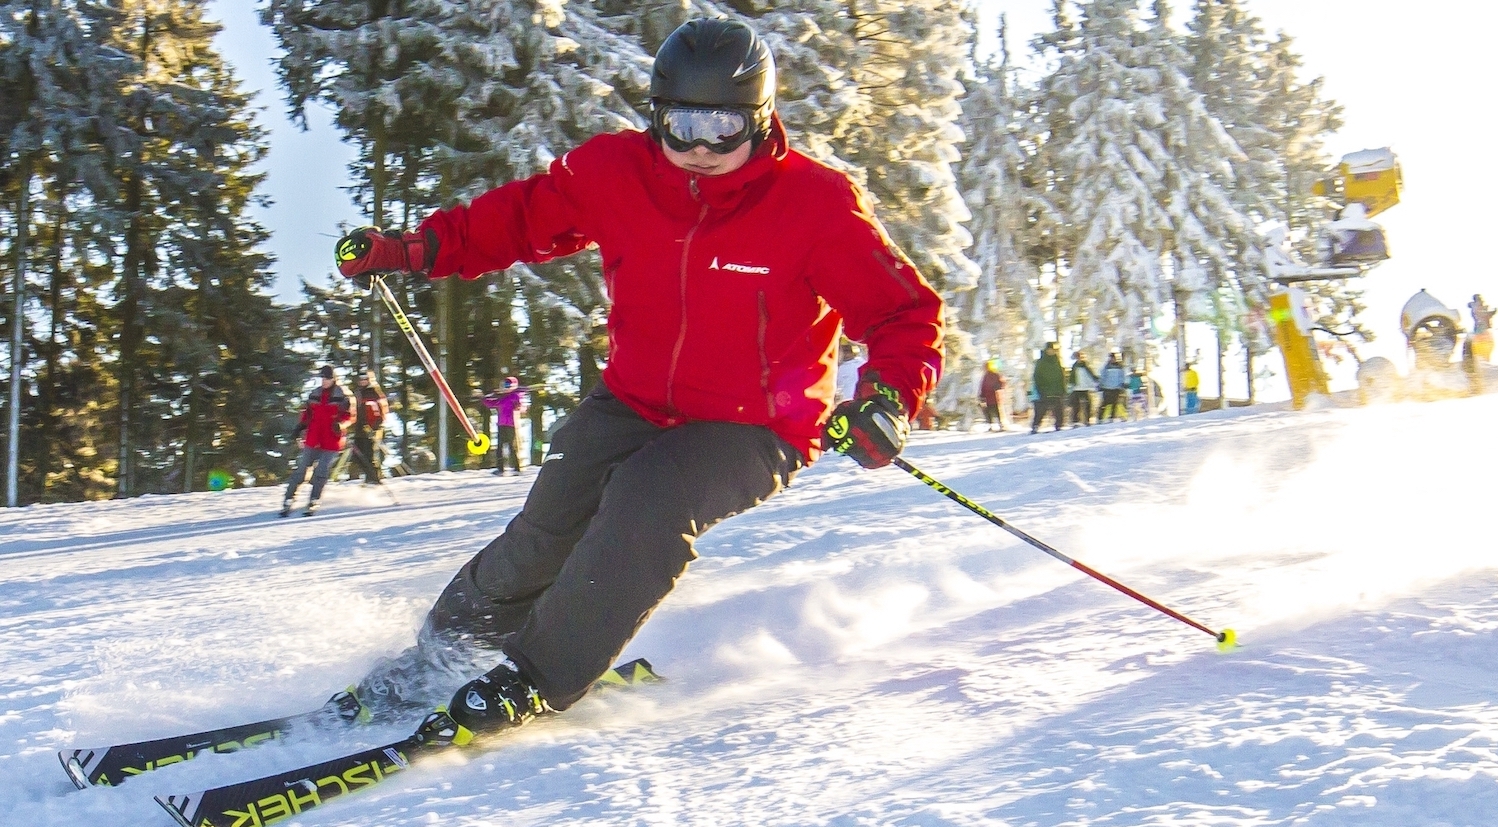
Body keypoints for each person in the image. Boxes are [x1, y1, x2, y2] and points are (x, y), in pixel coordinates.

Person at [332, 19, 943, 739]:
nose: (700, 148)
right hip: (631, 398)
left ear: (761, 117)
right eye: (681, 124)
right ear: (657, 116)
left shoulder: (815, 205)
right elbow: (516, 219)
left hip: (755, 426)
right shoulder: (616, 172)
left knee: (646, 501)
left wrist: (888, 398)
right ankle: (439, 654)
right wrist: (413, 249)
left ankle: (536, 673)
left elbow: (904, 311)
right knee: (543, 532)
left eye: (722, 126)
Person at [282, 365, 354, 517]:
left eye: (327, 378)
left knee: (321, 471)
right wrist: (300, 427)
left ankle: (314, 500)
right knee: (301, 469)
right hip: (313, 437)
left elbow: (350, 416)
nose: (324, 381)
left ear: (334, 379)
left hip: (332, 439)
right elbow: (307, 414)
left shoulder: (343, 395)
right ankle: (288, 500)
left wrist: (341, 425)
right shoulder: (315, 394)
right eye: (322, 378)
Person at [351, 369, 390, 484]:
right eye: (361, 379)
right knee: (357, 455)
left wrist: (375, 427)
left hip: (371, 429)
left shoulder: (374, 393)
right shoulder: (357, 393)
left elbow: (381, 412)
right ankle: (370, 476)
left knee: (369, 455)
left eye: (365, 379)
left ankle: (374, 478)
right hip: (359, 429)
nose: (362, 382)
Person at [482, 377, 528, 475]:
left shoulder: (514, 396)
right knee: (500, 447)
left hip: (512, 425)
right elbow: (491, 403)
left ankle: (517, 468)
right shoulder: (503, 397)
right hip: (501, 424)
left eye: (507, 385)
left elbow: (520, 405)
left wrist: (501, 396)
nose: (505, 387)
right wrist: (485, 398)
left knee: (512, 447)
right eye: (504, 385)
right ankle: (500, 468)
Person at [1031, 343, 1066, 433]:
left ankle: (1059, 425)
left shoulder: (1057, 361)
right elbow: (1037, 376)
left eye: (1052, 350)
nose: (1050, 351)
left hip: (1056, 390)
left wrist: (1062, 389)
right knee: (1041, 410)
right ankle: (1035, 426)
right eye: (1049, 349)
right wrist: (1041, 389)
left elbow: (1061, 375)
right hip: (1044, 390)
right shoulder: (1041, 362)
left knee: (1058, 410)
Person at [1068, 351, 1098, 427]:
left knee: (1088, 405)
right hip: (1076, 388)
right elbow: (1071, 379)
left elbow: (1092, 376)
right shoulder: (1074, 367)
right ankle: (1075, 421)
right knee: (1076, 405)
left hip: (1085, 388)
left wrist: (1094, 384)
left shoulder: (1086, 366)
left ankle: (1087, 419)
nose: (1079, 359)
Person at [978, 360, 1007, 432]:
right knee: (989, 411)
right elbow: (983, 386)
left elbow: (1001, 383)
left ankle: (1000, 424)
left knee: (996, 411)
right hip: (989, 397)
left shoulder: (994, 375)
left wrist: (996, 388)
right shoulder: (986, 376)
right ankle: (991, 425)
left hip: (995, 397)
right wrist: (982, 396)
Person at [1098, 352, 1126, 422]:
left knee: (1115, 403)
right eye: (1111, 358)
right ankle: (1100, 418)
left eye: (1113, 358)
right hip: (1107, 387)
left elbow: (1121, 376)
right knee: (1105, 403)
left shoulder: (1119, 367)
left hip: (1116, 388)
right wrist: (1101, 384)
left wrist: (1122, 385)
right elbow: (1102, 376)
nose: (1112, 359)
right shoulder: (1106, 367)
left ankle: (1112, 417)